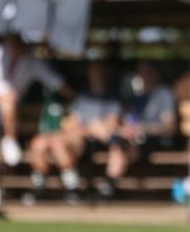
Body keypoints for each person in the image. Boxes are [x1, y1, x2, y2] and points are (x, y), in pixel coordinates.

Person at [0, 33, 69, 214]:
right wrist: (0, 97)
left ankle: (9, 139)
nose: (14, 45)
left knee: (9, 101)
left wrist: (78, 99)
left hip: (13, 107)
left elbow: (56, 82)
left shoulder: (30, 61)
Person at [26, 61, 122, 203]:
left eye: (100, 72)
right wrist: (80, 128)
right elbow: (70, 123)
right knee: (38, 143)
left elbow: (109, 127)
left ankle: (73, 188)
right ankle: (40, 187)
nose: (97, 76)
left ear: (106, 74)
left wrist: (86, 129)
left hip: (94, 142)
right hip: (76, 135)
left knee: (58, 142)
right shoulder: (83, 97)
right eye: (94, 72)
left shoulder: (113, 99)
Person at [101, 61, 177, 198]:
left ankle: (108, 186)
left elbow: (170, 126)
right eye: (141, 73)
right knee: (117, 145)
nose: (144, 76)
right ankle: (108, 187)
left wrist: (144, 129)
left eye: (147, 72)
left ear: (155, 74)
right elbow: (121, 119)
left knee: (119, 148)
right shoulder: (133, 96)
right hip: (130, 141)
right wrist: (125, 129)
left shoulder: (163, 94)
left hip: (154, 140)